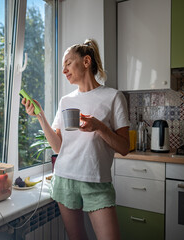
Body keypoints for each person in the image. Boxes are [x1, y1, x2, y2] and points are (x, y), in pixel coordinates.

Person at [21, 39, 130, 240]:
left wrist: (99, 127)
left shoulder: (113, 97)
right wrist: (40, 116)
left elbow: (124, 147)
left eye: (68, 63)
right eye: (63, 66)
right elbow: (58, 147)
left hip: (96, 182)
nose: (64, 71)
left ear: (86, 61)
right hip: (65, 178)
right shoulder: (66, 100)